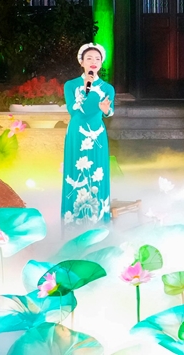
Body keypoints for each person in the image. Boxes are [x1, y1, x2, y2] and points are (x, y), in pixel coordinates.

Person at [62, 43, 115, 228]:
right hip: (77, 133)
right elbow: (73, 110)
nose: (94, 62)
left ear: (101, 63)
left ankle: (98, 220)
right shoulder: (71, 85)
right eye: (89, 58)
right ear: (82, 62)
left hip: (97, 134)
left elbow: (110, 112)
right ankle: (73, 221)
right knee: (76, 171)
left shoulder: (107, 88)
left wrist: (106, 110)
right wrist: (86, 89)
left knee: (97, 172)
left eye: (97, 59)